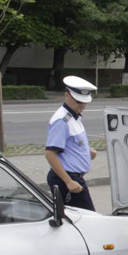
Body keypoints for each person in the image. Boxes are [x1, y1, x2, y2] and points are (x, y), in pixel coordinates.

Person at [45, 76, 98, 211]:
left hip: (74, 179)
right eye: (79, 101)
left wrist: (86, 152)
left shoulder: (74, 116)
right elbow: (50, 154)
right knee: (88, 220)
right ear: (67, 95)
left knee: (78, 221)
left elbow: (70, 145)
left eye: (85, 102)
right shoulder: (62, 120)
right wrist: (68, 181)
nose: (82, 106)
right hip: (67, 180)